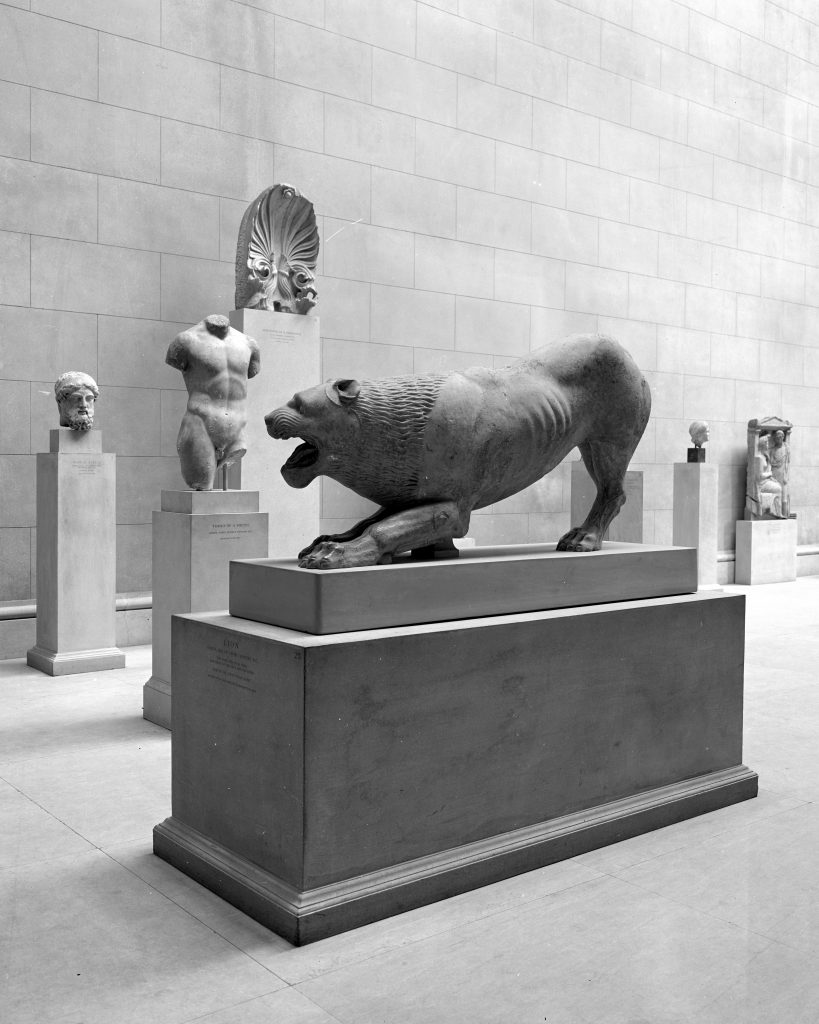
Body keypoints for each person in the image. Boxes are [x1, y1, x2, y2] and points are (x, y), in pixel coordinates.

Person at [166, 314, 260, 490]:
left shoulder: (249, 344)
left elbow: (251, 372)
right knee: (201, 485)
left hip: (238, 428)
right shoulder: (186, 341)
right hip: (200, 425)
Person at [768, 429, 790, 516]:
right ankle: (775, 512)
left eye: (780, 437)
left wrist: (786, 475)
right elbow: (770, 462)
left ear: (783, 437)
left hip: (782, 473)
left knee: (783, 494)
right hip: (774, 473)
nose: (778, 439)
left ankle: (784, 513)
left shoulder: (786, 449)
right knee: (775, 492)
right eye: (777, 438)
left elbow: (787, 463)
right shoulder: (773, 450)